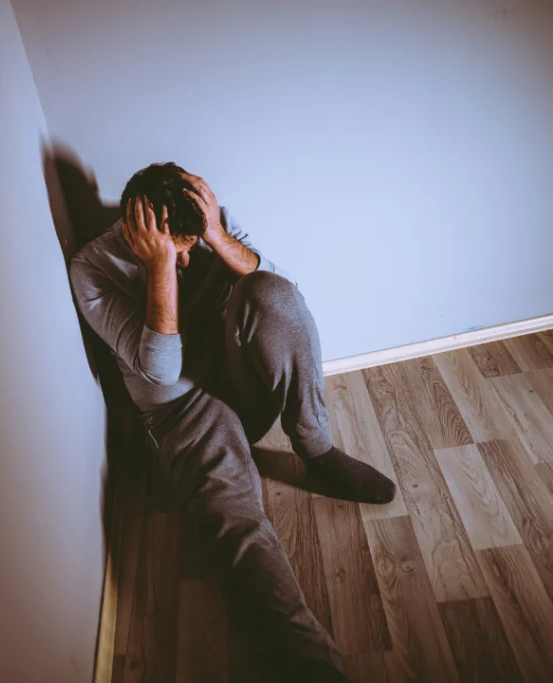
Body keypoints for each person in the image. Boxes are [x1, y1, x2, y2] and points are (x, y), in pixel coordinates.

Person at [69, 162, 396, 681]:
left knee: (273, 294)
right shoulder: (91, 268)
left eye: (186, 250)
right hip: (180, 413)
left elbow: (282, 289)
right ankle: (306, 660)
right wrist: (159, 269)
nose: (182, 264)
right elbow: (161, 368)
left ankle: (317, 450)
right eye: (169, 254)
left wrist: (215, 235)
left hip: (239, 381)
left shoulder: (206, 221)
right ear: (133, 234)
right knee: (238, 524)